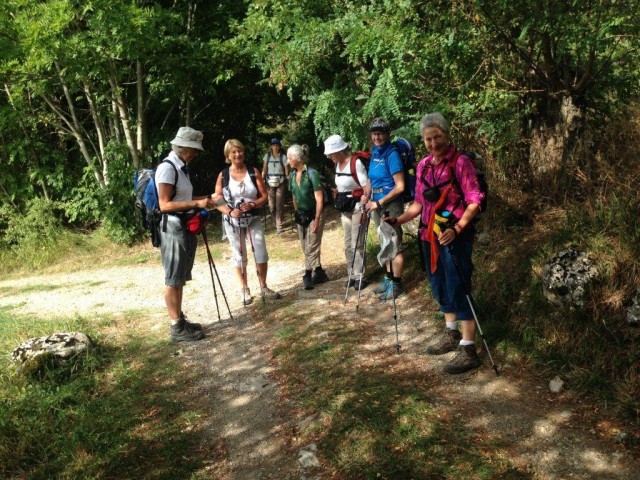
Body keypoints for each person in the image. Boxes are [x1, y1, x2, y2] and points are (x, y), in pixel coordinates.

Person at [386, 112, 484, 374]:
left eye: (437, 137)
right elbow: (419, 203)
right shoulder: (423, 166)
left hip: (455, 237)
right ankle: (451, 333)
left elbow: (474, 200)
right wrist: (399, 219)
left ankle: (469, 348)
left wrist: (459, 227)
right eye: (428, 139)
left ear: (447, 135)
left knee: (458, 284)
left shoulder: (461, 163)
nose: (432, 143)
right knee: (438, 282)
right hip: (429, 235)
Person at [157, 126, 217, 342]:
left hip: (183, 226)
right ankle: (175, 327)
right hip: (172, 228)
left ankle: (180, 320)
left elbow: (184, 198)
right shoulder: (168, 168)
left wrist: (208, 199)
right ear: (184, 148)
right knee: (173, 278)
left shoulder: (181, 168)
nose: (196, 154)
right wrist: (196, 202)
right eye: (194, 150)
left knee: (180, 276)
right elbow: (164, 204)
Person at [214, 139, 282, 305]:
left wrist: (252, 204)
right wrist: (230, 211)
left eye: (240, 151)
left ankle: (263, 286)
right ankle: (244, 289)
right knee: (239, 254)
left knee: (261, 252)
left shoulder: (253, 171)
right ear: (228, 155)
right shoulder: (223, 175)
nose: (238, 154)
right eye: (234, 152)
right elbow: (217, 198)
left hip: (253, 217)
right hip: (233, 221)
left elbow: (264, 195)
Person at [363, 118, 405, 301]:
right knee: (384, 242)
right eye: (374, 133)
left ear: (388, 134)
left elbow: (400, 186)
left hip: (390, 204)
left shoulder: (392, 154)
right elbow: (372, 177)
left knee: (394, 243)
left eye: (380, 133)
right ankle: (388, 279)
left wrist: (379, 203)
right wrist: (367, 192)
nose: (377, 137)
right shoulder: (375, 152)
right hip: (375, 202)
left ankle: (397, 283)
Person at [324, 134, 369, 289]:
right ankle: (351, 273)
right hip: (345, 209)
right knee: (348, 243)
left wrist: (365, 206)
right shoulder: (337, 165)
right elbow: (343, 185)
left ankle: (360, 276)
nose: (329, 156)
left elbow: (366, 186)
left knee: (358, 242)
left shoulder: (355, 163)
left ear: (340, 151)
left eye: (331, 153)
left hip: (357, 207)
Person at [287, 144, 329, 290]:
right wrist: (298, 213)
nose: (288, 161)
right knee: (305, 246)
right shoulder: (292, 175)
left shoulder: (312, 173)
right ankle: (319, 271)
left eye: (289, 158)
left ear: (298, 158)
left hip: (315, 213)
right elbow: (293, 195)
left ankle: (307, 274)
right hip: (302, 215)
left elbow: (319, 199)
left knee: (311, 245)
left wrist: (317, 219)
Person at [262, 138, 290, 234]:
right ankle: (276, 221)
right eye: (273, 145)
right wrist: (262, 179)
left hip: (281, 182)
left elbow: (286, 168)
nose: (275, 147)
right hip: (269, 182)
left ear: (279, 146)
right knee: (271, 206)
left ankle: (279, 225)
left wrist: (287, 176)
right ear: (271, 146)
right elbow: (264, 169)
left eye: (277, 145)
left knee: (279, 205)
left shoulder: (283, 157)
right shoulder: (267, 156)